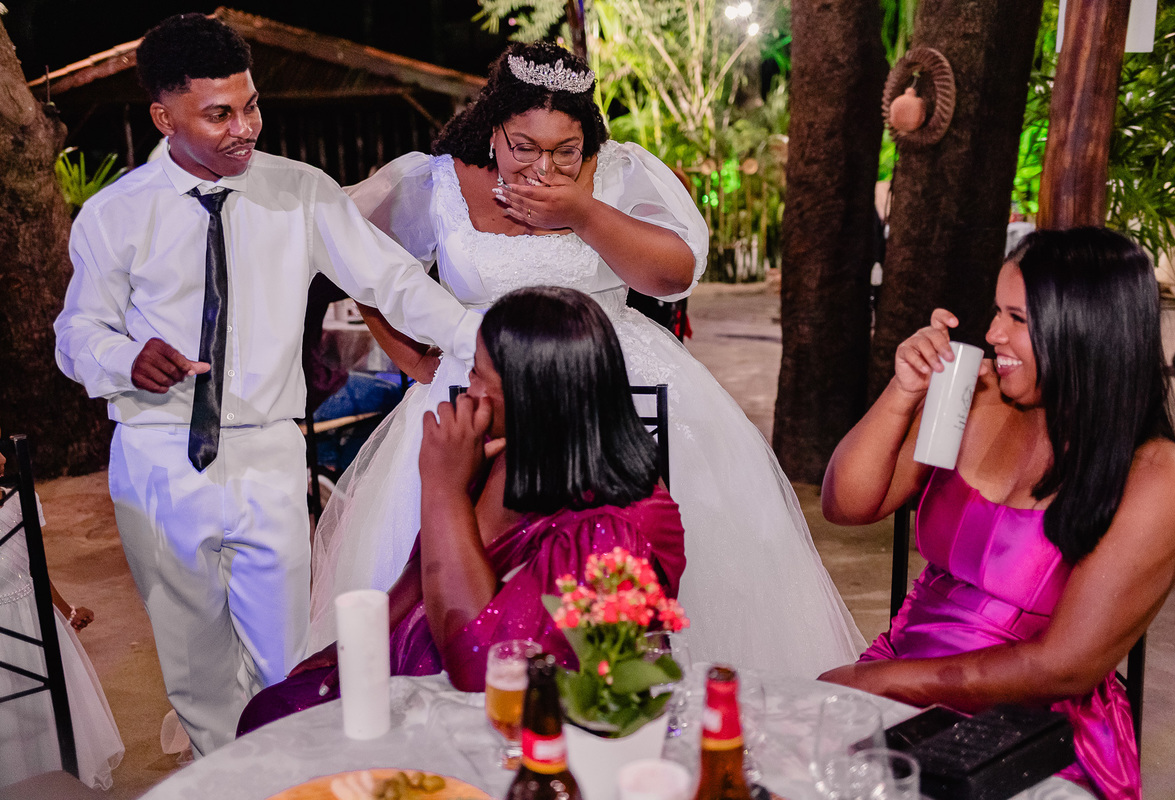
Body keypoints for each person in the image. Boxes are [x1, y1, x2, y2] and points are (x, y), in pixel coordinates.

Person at [309, 42, 865, 677]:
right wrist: (412, 359)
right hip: (486, 390)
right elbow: (355, 260)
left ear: (587, 138)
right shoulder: (435, 181)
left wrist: (583, 210)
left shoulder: (620, 173)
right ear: (495, 131)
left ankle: (634, 687)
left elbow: (673, 275)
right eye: (525, 146)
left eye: (564, 151)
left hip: (613, 381)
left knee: (645, 560)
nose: (544, 164)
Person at [53, 14, 480, 755]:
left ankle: (295, 777)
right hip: (157, 462)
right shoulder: (112, 217)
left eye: (250, 105)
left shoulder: (302, 194)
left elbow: (395, 283)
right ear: (164, 116)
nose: (244, 126)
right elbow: (75, 334)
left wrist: (486, 343)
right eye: (219, 113)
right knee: (195, 672)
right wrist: (125, 359)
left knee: (289, 660)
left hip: (269, 460)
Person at [818, 227, 1175, 799]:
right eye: (997, 312)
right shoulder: (980, 394)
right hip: (903, 667)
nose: (993, 333)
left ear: (1085, 328)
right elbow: (846, 505)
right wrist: (903, 392)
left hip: (1034, 721)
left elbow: (1061, 668)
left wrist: (880, 681)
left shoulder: (1156, 477)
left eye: (1017, 319)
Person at [236, 287, 686, 732]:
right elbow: (421, 573)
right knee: (269, 710)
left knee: (276, 724)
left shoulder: (618, 526)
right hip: (435, 645)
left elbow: (484, 672)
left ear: (532, 393)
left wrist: (442, 487)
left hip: (526, 708)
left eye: (477, 374)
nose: (466, 390)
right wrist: (345, 651)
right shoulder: (509, 454)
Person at [0, 436, 125, 789]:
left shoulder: (19, 499)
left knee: (47, 706)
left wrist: (66, 611)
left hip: (31, 616)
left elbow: (34, 568)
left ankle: (57, 780)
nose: (1, 456)